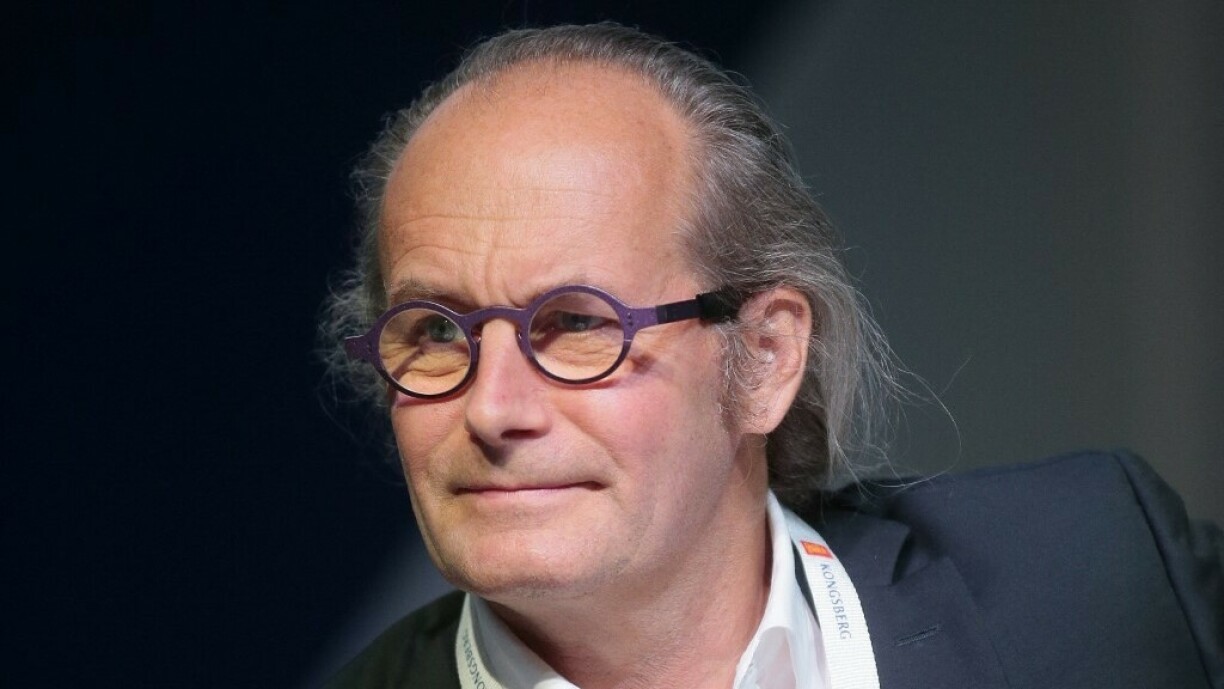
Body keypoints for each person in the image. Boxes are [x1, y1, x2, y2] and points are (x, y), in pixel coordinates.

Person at [321, 23, 1223, 689]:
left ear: (764, 357)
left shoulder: (1096, 573)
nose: (491, 408)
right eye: (436, 332)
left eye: (578, 323)